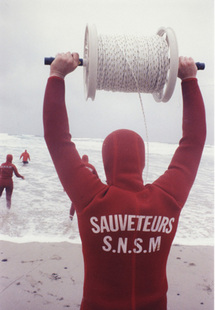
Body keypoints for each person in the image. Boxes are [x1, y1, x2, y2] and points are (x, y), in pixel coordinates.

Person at [43, 52, 206, 310]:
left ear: (106, 162)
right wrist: (189, 80)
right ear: (141, 161)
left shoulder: (91, 199)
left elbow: (57, 140)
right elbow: (194, 144)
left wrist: (57, 75)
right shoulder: (166, 199)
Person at [69, 154, 99, 220]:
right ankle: (89, 218)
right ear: (88, 160)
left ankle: (71, 217)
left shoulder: (78, 165)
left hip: (78, 187)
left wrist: (67, 187)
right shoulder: (92, 167)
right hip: (88, 187)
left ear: (81, 159)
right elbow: (97, 178)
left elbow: (72, 177)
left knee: (74, 202)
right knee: (89, 203)